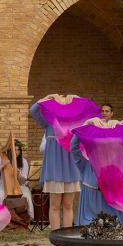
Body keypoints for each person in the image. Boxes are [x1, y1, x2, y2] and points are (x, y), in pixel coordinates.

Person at [71, 128, 123, 246]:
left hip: (110, 201)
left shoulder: (115, 164)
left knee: (112, 227)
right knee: (94, 228)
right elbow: (74, 147)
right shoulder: (85, 164)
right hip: (91, 201)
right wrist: (83, 128)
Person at [29, 95, 83, 230]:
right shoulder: (49, 123)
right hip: (54, 168)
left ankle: (66, 233)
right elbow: (33, 111)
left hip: (71, 168)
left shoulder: (75, 123)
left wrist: (74, 99)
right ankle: (56, 233)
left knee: (68, 205)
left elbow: (83, 108)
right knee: (54, 205)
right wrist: (47, 98)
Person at [0, 139, 34, 228]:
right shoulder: (1, 159)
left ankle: (29, 219)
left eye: (18, 150)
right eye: (14, 149)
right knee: (1, 195)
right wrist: (3, 165)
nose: (16, 152)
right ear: (10, 150)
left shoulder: (23, 162)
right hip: (3, 187)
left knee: (27, 196)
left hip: (20, 187)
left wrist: (18, 175)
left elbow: (24, 181)